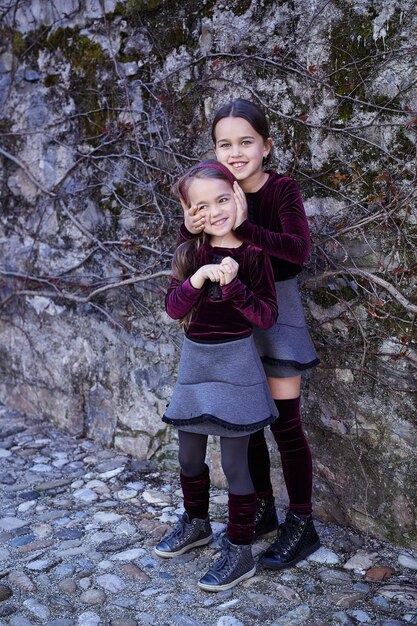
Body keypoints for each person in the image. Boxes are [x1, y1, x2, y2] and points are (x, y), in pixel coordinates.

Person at [180, 99, 321, 570]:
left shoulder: (281, 190)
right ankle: (261, 508)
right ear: (215, 148)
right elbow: (193, 260)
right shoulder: (214, 190)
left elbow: (297, 253)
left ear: (266, 145)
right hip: (233, 329)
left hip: (275, 322)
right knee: (247, 423)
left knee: (285, 423)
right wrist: (189, 229)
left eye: (246, 142)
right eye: (225, 143)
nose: (236, 152)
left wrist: (247, 226)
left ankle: (301, 522)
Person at [155, 160, 279, 591]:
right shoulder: (192, 252)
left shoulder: (255, 255)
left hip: (236, 366)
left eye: (222, 199)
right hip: (195, 364)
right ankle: (196, 524)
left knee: (234, 464)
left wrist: (232, 286)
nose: (214, 211)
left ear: (238, 196)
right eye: (201, 205)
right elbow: (173, 308)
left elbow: (265, 316)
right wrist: (200, 278)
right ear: (190, 212)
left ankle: (241, 549)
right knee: (189, 455)